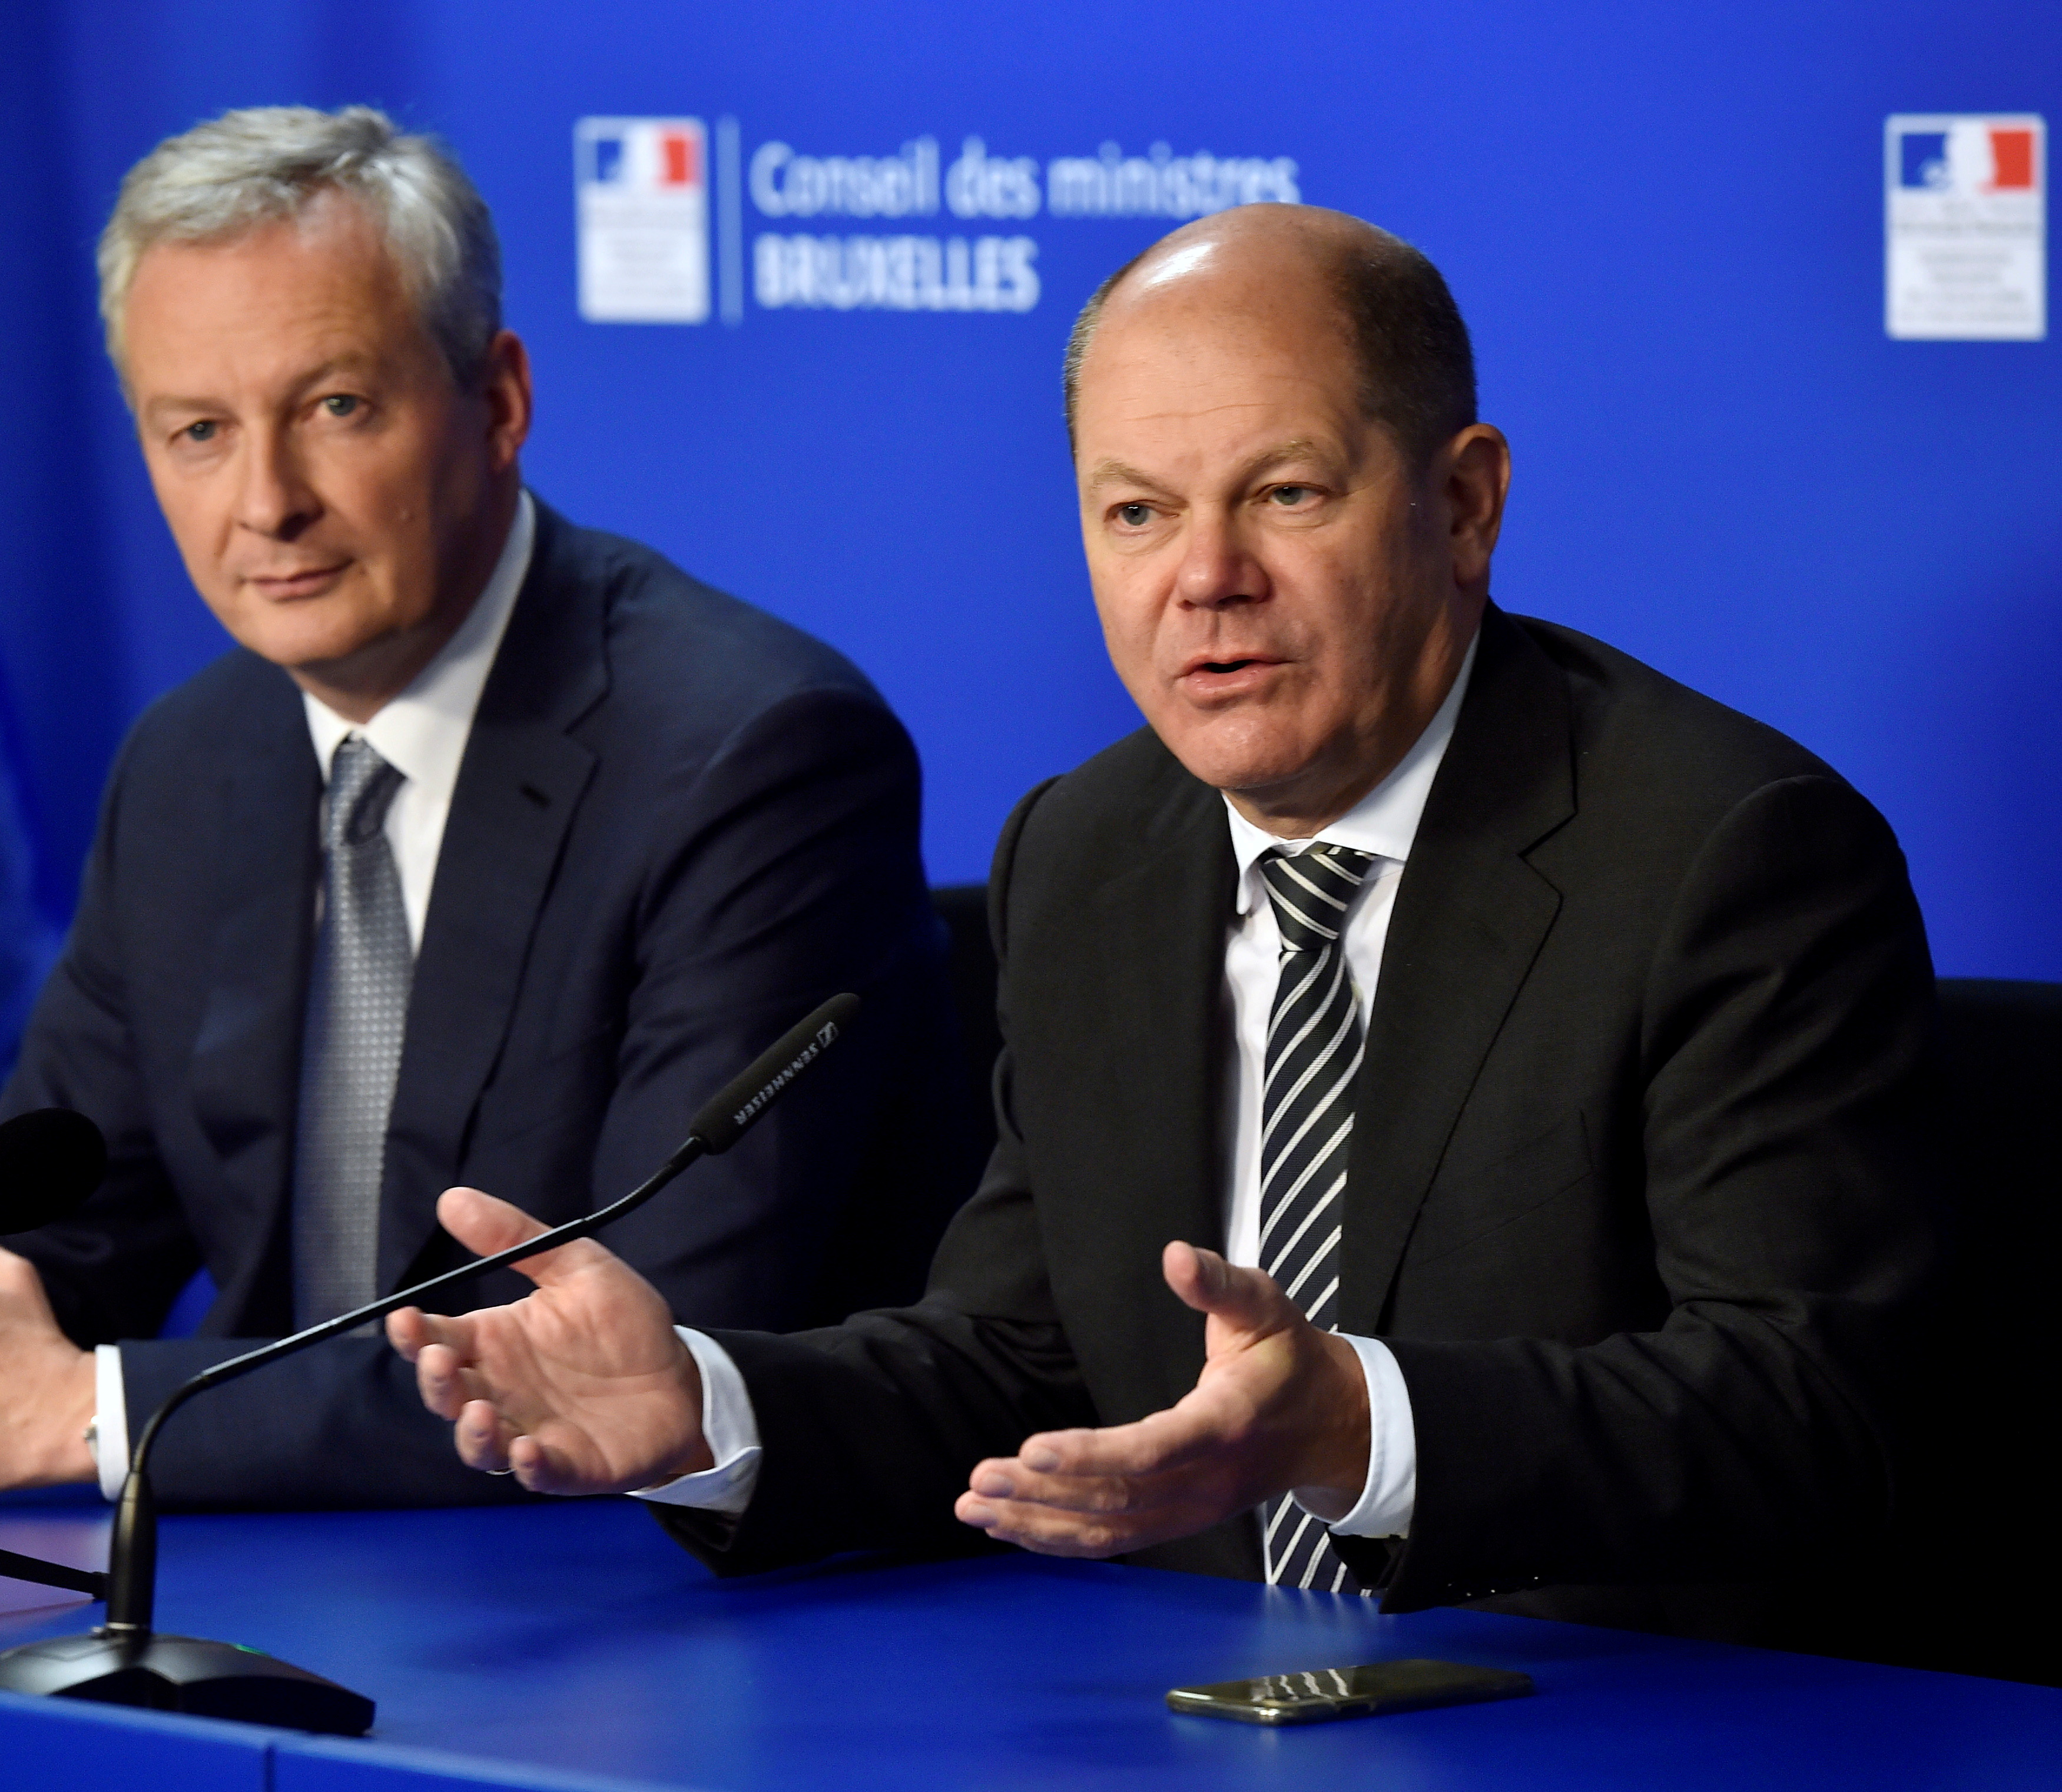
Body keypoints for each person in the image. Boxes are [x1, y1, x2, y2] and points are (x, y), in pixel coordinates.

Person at [385, 203, 1937, 1628]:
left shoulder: (1723, 856)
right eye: (1133, 512)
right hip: (1183, 1718)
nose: (1203, 577)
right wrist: (706, 1407)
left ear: (1461, 503)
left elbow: (1812, 1406)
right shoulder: (1090, 848)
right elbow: (1024, 1356)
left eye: (1283, 492)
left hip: (1597, 1722)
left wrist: (1353, 1426)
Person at [0, 107, 977, 1506]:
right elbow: (59, 1232)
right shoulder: (191, 763)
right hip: (302, 1569)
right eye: (197, 431)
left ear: (496, 399)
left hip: (666, 1610)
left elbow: (636, 1349)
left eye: (334, 408)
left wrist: (82, 1414)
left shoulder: (752, 753)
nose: (265, 503)